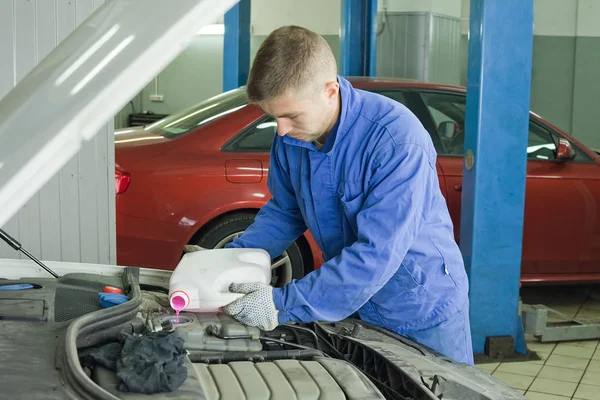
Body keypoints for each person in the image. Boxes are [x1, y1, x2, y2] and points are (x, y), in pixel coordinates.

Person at [216, 25, 473, 365]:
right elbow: (285, 211)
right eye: (273, 117)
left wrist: (279, 304)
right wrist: (227, 263)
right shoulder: (293, 137)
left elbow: (377, 253)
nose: (281, 130)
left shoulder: (396, 140)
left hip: (421, 310)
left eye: (291, 116)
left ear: (329, 90)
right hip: (352, 306)